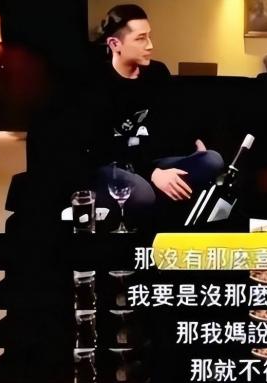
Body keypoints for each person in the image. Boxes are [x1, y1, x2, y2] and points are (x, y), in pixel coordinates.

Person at [74, 4, 224, 231]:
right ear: (115, 44)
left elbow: (175, 120)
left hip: (151, 160)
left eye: (149, 36)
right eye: (141, 38)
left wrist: (194, 142)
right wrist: (153, 174)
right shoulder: (95, 84)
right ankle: (149, 197)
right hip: (114, 165)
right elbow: (101, 148)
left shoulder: (157, 73)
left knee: (212, 160)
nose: (150, 45)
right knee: (141, 193)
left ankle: (151, 197)